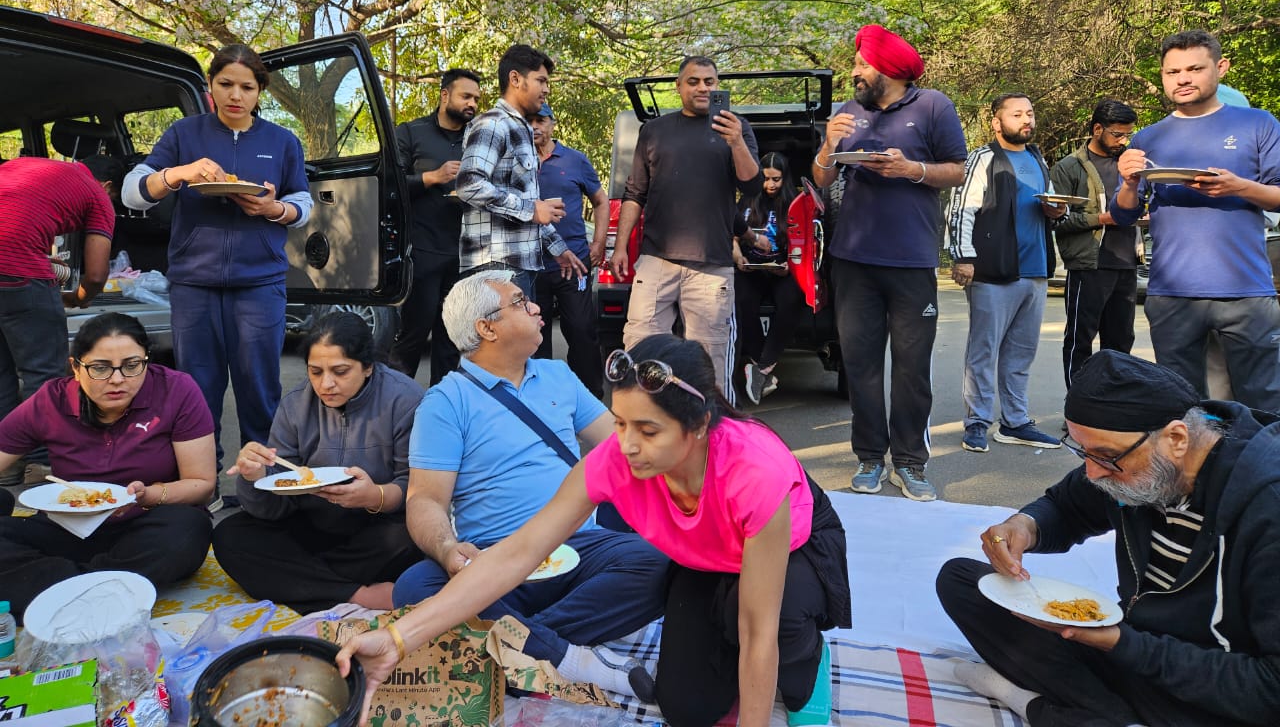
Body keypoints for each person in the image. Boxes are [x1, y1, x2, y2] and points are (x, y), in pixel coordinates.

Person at [338, 335, 850, 727]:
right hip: (704, 559)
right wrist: (397, 639)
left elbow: (757, 632)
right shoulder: (614, 461)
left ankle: (809, 661)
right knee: (687, 710)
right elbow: (517, 555)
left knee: (766, 621)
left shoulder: (753, 471)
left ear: (698, 427)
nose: (625, 445)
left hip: (791, 551)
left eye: (648, 431)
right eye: (620, 423)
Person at [936, 349, 1280, 727]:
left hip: (1218, 684)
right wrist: (1025, 526)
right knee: (964, 581)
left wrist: (1120, 643)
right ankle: (1099, 711)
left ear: (1177, 438)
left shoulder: (1267, 506)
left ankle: (1041, 704)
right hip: (1138, 652)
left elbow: (1270, 690)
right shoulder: (1146, 460)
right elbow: (1067, 506)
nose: (1093, 473)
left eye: (1106, 457)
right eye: (1083, 452)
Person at [392, 269, 670, 697]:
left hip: (576, 547)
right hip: (493, 562)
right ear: (486, 327)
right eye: (521, 302)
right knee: (415, 586)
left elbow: (620, 447)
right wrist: (448, 550)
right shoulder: (445, 402)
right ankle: (571, 659)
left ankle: (522, 650)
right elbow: (425, 499)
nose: (537, 307)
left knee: (658, 560)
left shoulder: (558, 376)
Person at [122, 45, 312, 486]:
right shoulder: (184, 134)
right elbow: (133, 191)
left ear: (260, 91)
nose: (235, 95)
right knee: (197, 391)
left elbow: (302, 203)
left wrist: (273, 210)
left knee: (260, 390)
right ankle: (200, 486)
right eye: (225, 84)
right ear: (210, 86)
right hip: (194, 283)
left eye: (247, 87)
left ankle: (261, 487)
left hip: (260, 283)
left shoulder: (281, 140)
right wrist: (178, 173)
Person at [810, 25, 966, 502]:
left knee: (912, 367)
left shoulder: (933, 105)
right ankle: (869, 459)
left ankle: (911, 463)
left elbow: (957, 170)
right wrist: (827, 146)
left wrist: (910, 169)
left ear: (891, 70)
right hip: (852, 261)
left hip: (911, 261)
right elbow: (820, 179)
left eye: (862, 63)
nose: (854, 71)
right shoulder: (847, 111)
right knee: (860, 366)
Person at [0, 313, 215, 622]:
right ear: (76, 367)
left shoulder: (176, 390)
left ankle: (54, 590)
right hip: (67, 528)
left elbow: (202, 482)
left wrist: (148, 495)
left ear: (146, 360)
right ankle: (102, 590)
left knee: (188, 530)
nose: (117, 379)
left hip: (143, 525)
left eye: (131, 365)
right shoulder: (52, 400)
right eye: (100, 368)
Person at [212, 311, 424, 615]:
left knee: (409, 538)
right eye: (315, 371)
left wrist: (374, 496)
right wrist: (255, 476)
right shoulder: (296, 405)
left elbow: (418, 487)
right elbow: (274, 508)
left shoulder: (406, 400)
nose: (326, 384)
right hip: (312, 525)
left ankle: (303, 582)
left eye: (340, 371)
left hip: (376, 529)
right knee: (230, 536)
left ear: (367, 367)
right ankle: (356, 595)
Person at [1112, 29, 1280, 411]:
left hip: (1246, 292)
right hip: (1171, 293)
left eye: (1194, 68)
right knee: (1182, 406)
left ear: (1220, 68)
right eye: (1172, 72)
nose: (1183, 78)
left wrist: (1239, 188)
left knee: (1263, 403)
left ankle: (1262, 471)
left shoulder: (1258, 124)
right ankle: (1192, 474)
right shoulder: (1148, 138)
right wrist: (1127, 181)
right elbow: (1124, 213)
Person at [609, 56, 761, 399]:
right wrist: (620, 247)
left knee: (710, 359)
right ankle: (644, 422)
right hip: (656, 260)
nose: (703, 87)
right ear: (679, 87)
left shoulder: (737, 127)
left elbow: (751, 186)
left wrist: (736, 140)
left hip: (711, 266)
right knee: (640, 348)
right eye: (693, 81)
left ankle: (713, 432)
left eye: (709, 81)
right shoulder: (654, 130)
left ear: (717, 86)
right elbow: (634, 193)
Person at [950, 93, 1065, 454]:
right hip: (993, 269)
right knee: (983, 350)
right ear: (996, 122)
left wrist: (1056, 210)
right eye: (1017, 114)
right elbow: (960, 209)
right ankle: (977, 422)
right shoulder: (982, 158)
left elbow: (1051, 206)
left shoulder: (1037, 157)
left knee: (1021, 353)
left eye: (1030, 113)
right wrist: (963, 256)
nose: (1026, 120)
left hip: (1034, 271)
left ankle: (1015, 422)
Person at [456, 44, 585, 297]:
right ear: (515, 79)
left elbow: (529, 207)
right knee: (505, 338)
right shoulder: (493, 123)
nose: (546, 89)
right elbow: (468, 184)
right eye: (541, 80)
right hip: (497, 266)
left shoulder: (521, 129)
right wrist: (531, 209)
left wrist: (558, 248)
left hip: (518, 265)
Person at [0, 157, 115, 426]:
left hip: (13, 266)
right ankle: (39, 462)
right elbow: (97, 275)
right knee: (42, 375)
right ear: (108, 186)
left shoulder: (27, 167)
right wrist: (77, 299)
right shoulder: (98, 195)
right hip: (19, 275)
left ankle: (6, 465)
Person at [388, 68, 482, 383]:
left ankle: (442, 412)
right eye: (466, 96)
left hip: (467, 254)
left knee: (452, 341)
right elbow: (390, 183)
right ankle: (395, 408)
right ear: (444, 95)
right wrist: (433, 177)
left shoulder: (480, 139)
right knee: (413, 335)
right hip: (423, 250)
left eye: (476, 99)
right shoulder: (411, 132)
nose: (472, 104)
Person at [1049, 99, 1141, 388]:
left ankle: (1111, 412)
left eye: (1128, 134)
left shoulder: (1130, 164)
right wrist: (1103, 218)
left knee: (1120, 343)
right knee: (1080, 339)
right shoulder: (1068, 167)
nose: (1123, 140)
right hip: (1089, 264)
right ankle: (1078, 411)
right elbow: (1058, 221)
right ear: (1097, 128)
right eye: (1117, 134)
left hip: (1126, 264)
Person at [531, 102, 608, 396]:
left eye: (541, 120)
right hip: (531, 264)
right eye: (529, 121)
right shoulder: (518, 162)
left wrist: (598, 243)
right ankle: (543, 398)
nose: (535, 126)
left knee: (580, 330)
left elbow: (600, 201)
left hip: (573, 262)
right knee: (535, 337)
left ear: (552, 124)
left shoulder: (575, 160)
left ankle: (588, 395)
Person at [732, 152, 805, 404]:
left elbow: (803, 242)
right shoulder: (748, 200)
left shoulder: (796, 203)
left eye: (776, 179)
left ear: (785, 180)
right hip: (750, 268)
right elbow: (733, 233)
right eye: (765, 179)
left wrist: (787, 266)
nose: (770, 185)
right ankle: (761, 368)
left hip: (782, 269)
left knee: (792, 299)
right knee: (741, 300)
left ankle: (760, 369)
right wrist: (738, 255)